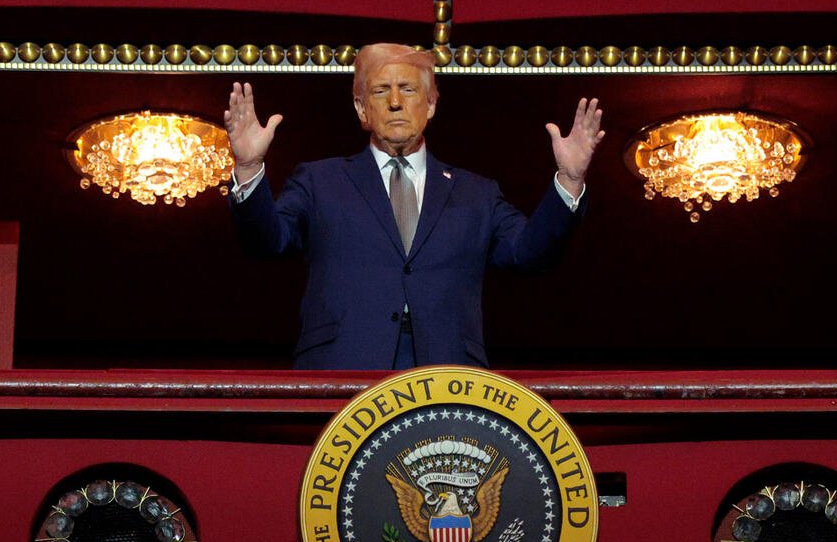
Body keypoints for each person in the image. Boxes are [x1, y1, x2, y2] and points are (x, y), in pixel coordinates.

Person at [224, 43, 604, 370]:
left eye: (407, 89)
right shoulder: (319, 181)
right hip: (344, 370)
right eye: (380, 91)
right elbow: (267, 242)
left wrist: (569, 180)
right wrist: (249, 168)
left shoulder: (477, 194)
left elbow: (530, 253)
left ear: (431, 104)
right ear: (361, 109)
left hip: (447, 376)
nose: (395, 102)